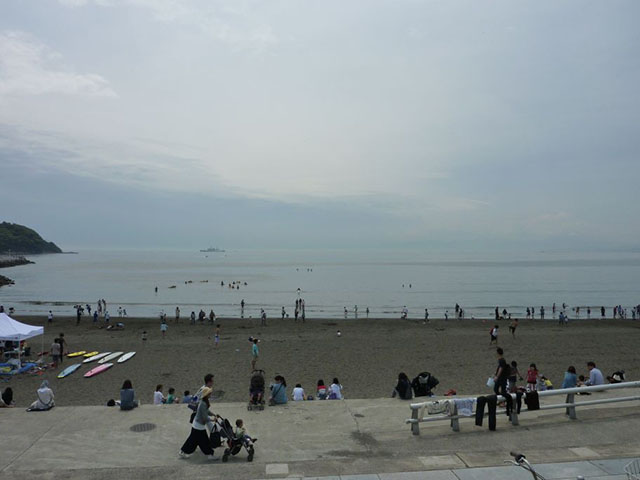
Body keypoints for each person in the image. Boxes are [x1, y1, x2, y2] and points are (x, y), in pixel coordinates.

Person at [179, 387, 216, 460]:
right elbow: (205, 417)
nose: (210, 394)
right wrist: (212, 419)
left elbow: (207, 411)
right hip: (199, 426)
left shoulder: (203, 402)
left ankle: (183, 451)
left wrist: (213, 414)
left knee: (193, 440)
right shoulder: (203, 404)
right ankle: (209, 454)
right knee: (204, 441)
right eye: (209, 393)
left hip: (197, 425)